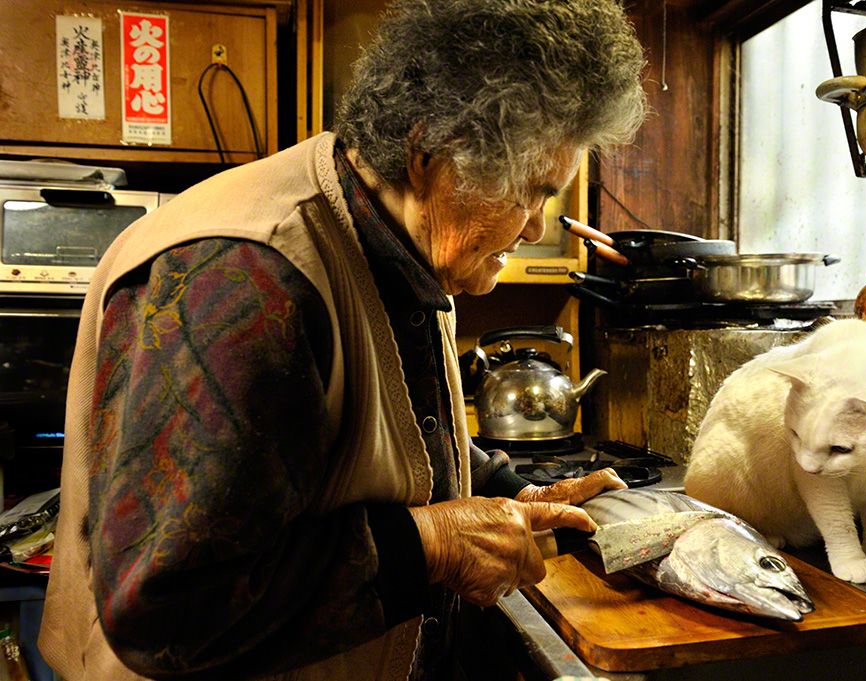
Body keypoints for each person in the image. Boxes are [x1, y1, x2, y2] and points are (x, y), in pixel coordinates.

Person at [39, 1, 647, 679]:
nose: (535, 226)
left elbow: (386, 435)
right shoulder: (249, 278)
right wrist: (433, 545)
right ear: (430, 154)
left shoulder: (400, 234)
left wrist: (509, 494)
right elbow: (166, 612)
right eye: (530, 192)